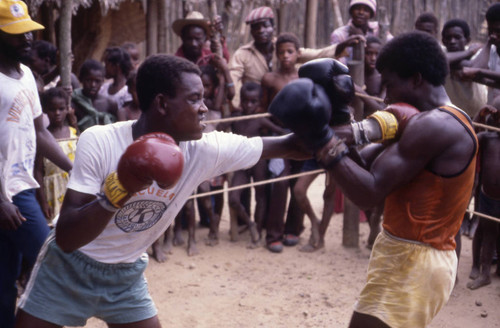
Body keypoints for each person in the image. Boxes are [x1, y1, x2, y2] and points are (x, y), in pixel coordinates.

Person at [14, 54, 313, 328]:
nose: (205, 108)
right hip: (67, 268)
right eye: (195, 99)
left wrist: (341, 126)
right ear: (161, 104)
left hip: (125, 274)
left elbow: (290, 146)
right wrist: (121, 188)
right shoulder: (101, 141)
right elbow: (67, 238)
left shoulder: (204, 149)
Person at [270, 31, 477, 328]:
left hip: (417, 261)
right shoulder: (418, 120)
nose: (386, 96)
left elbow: (369, 193)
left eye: (390, 85)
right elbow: (361, 168)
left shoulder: (437, 125)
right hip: (401, 252)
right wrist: (340, 115)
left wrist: (321, 138)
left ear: (417, 79)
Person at [0, 1, 73, 327]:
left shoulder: (28, 75)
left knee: (5, 278)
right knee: (52, 262)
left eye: (28, 31)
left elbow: (40, 131)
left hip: (23, 185)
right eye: (16, 35)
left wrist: (74, 166)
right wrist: (0, 200)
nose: (26, 39)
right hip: (9, 194)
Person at [229, 6, 341, 109]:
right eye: (256, 27)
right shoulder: (242, 54)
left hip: (285, 104)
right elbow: (233, 78)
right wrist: (236, 105)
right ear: (251, 31)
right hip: (255, 106)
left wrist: (341, 47)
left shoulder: (284, 46)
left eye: (265, 26)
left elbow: (317, 55)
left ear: (273, 28)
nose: (261, 30)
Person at [224, 82, 287, 247]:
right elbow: (218, 127)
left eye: (253, 102)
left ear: (259, 103)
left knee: (261, 197)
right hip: (241, 165)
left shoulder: (260, 120)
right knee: (233, 198)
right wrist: (230, 115)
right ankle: (249, 223)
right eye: (245, 101)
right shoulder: (236, 118)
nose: (248, 105)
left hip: (258, 162)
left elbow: (281, 133)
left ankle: (257, 232)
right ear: (241, 100)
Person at [260, 32, 304, 252]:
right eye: (281, 52)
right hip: (278, 136)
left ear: (298, 53)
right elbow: (262, 114)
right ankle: (273, 235)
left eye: (290, 52)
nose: (285, 56)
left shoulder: (304, 78)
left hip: (304, 136)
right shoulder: (270, 79)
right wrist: (281, 132)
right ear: (276, 54)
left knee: (300, 183)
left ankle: (294, 229)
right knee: (280, 181)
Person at [467, 104, 500, 290]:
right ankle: (484, 273)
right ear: (495, 120)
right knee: (487, 233)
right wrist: (480, 115)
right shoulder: (488, 138)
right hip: (488, 196)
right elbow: (469, 135)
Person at [34, 87, 78, 222]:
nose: (57, 113)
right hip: (52, 191)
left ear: (67, 109)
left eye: (61, 109)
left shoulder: (73, 132)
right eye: (52, 109)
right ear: (45, 110)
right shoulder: (44, 139)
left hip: (71, 186)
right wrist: (43, 202)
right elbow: (38, 171)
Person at [441, 19, 486, 119]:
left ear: (467, 40)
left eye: (457, 37)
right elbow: (442, 60)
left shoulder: (478, 54)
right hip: (448, 114)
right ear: (443, 41)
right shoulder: (440, 51)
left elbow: (474, 67)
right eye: (448, 38)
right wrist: (468, 53)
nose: (452, 41)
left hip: (475, 113)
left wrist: (454, 63)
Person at [464, 3, 500, 104]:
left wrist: (481, 72)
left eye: (498, 31)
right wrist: (488, 44)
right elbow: (473, 71)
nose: (493, 36)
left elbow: (477, 71)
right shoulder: (492, 49)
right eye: (490, 31)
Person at [72, 59, 118, 131]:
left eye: (97, 81)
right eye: (88, 80)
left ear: (102, 81)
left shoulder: (110, 103)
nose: (93, 85)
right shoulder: (74, 101)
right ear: (81, 79)